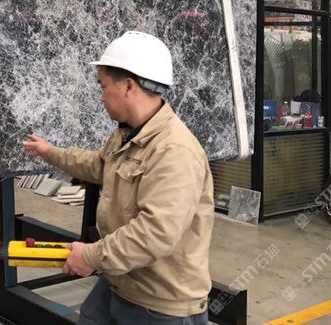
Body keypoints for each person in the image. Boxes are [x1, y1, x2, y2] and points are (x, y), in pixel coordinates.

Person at [24, 31, 213, 324]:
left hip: (159, 303)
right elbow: (99, 165)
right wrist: (50, 152)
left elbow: (155, 233)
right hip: (122, 279)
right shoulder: (128, 134)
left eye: (103, 86)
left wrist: (90, 257)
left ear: (128, 86)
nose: (101, 97)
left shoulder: (175, 151)